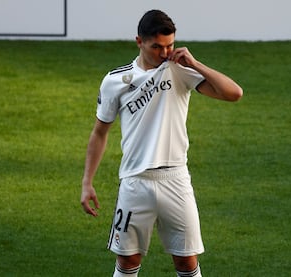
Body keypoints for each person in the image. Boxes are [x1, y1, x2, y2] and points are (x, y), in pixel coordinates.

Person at [81, 9, 243, 277]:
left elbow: (234, 93)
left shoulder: (180, 71)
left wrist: (195, 63)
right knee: (127, 262)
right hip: (135, 181)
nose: (165, 53)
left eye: (170, 45)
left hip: (176, 180)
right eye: (157, 46)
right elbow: (99, 132)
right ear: (139, 42)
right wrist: (87, 182)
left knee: (187, 263)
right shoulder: (115, 81)